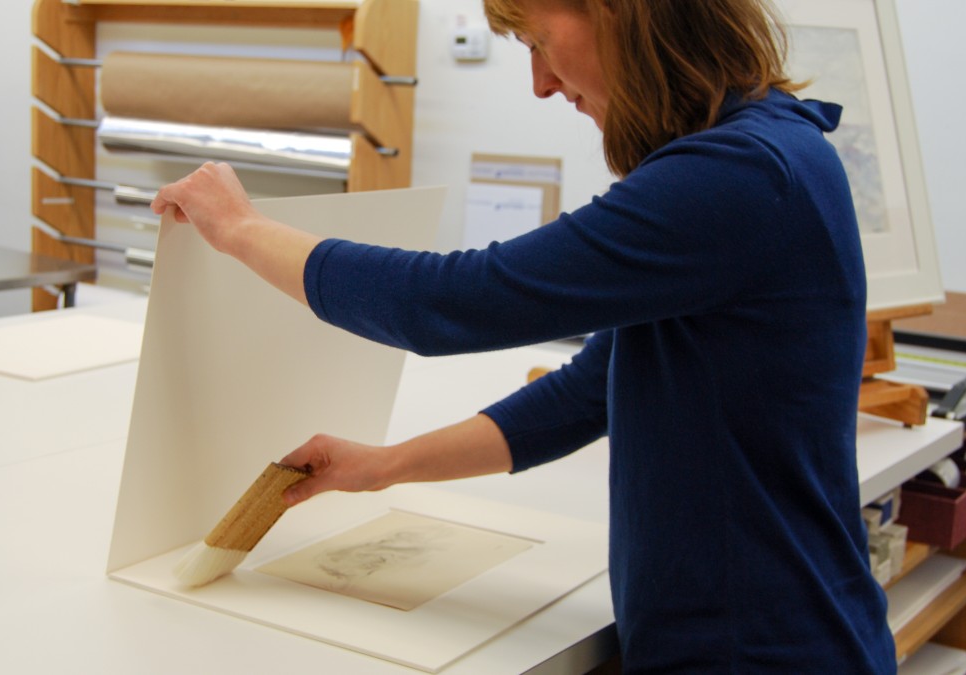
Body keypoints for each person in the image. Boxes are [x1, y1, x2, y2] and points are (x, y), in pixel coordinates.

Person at [152, 0, 895, 671]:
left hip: (758, 654)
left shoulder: (739, 176)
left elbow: (448, 302)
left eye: (539, 41)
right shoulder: (773, 148)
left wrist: (242, 230)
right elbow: (594, 385)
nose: (540, 82)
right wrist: (387, 465)